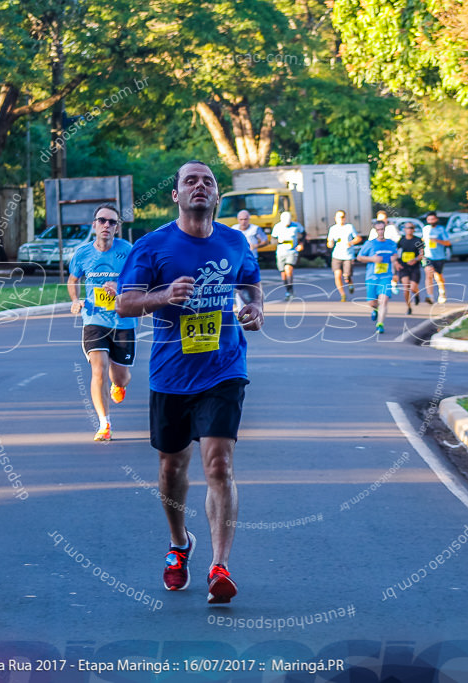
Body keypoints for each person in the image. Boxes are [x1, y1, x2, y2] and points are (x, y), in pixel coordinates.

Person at [116, 160, 264, 605]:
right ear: (176, 195)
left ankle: (220, 566)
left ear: (217, 197)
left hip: (224, 368)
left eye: (208, 182)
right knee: (171, 467)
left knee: (218, 464)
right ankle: (180, 544)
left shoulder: (235, 242)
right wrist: (163, 295)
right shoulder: (151, 245)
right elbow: (124, 303)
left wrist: (255, 310)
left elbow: (252, 286)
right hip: (170, 374)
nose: (200, 186)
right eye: (190, 181)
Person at [67, 204, 136, 442]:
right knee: (98, 369)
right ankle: (104, 423)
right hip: (94, 319)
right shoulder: (82, 253)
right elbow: (73, 279)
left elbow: (140, 281)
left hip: (123, 321)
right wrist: (76, 300)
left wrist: (121, 288)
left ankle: (119, 385)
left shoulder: (127, 250)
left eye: (112, 222)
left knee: (120, 377)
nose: (106, 225)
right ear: (94, 224)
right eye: (102, 220)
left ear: (117, 227)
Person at [356, 220, 398, 334]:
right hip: (372, 277)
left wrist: (394, 259)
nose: (380, 232)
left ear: (385, 230)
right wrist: (372, 259)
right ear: (375, 231)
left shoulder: (391, 243)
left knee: (384, 301)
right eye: (378, 230)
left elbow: (395, 255)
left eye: (382, 229)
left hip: (386, 277)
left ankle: (380, 324)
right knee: (372, 302)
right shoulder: (370, 244)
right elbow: (359, 257)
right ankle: (374, 310)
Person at [326, 209, 361, 302]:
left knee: (346, 276)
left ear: (345, 218)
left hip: (348, 256)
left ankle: (350, 283)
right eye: (338, 217)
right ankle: (343, 294)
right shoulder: (333, 229)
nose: (340, 219)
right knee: (337, 275)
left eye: (342, 217)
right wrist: (330, 244)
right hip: (337, 255)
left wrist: (351, 242)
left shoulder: (349, 227)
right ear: (335, 218)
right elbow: (329, 241)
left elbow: (358, 238)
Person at [271, 211, 305, 300]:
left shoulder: (296, 226)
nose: (287, 224)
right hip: (281, 252)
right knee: (283, 273)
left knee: (288, 269)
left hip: (292, 251)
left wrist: (301, 243)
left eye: (289, 223)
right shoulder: (277, 227)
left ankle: (291, 291)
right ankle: (288, 290)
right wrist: (278, 241)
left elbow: (304, 234)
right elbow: (273, 240)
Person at [421, 212, 451, 304]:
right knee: (429, 273)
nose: (431, 221)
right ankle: (430, 296)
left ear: (436, 219)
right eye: (429, 219)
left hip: (439, 256)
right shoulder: (425, 229)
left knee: (438, 277)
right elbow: (423, 240)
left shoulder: (441, 229)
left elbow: (448, 243)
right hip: (428, 256)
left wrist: (437, 240)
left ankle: (442, 293)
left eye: (433, 219)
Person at [395, 221, 424, 314]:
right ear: (404, 229)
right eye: (407, 228)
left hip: (414, 267)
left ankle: (416, 295)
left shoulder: (418, 240)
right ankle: (408, 307)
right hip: (403, 267)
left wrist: (415, 259)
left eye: (411, 228)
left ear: (414, 229)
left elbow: (422, 254)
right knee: (406, 287)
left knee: (413, 288)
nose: (409, 230)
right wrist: (396, 263)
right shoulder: (401, 240)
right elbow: (395, 253)